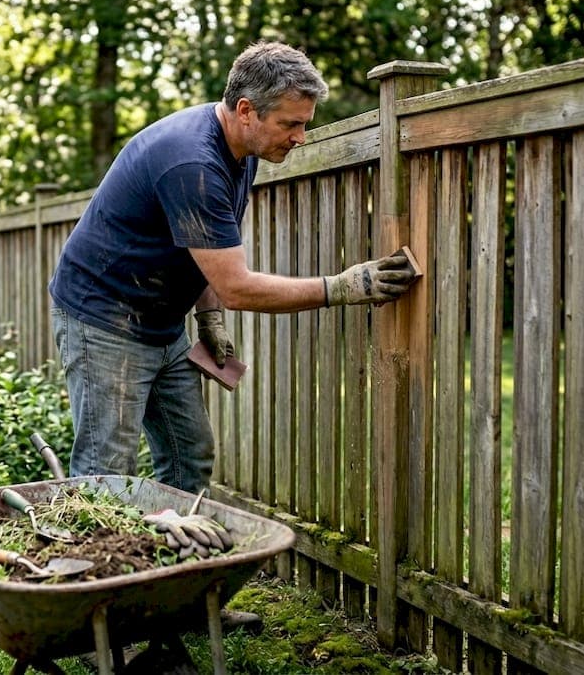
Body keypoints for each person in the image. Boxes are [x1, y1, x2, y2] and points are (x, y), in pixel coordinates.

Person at [48, 41, 417, 498]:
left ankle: (174, 558)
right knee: (105, 471)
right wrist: (341, 287)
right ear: (247, 110)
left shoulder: (239, 152)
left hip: (159, 322)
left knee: (190, 453)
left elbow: (201, 247)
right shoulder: (193, 162)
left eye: (304, 123)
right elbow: (238, 287)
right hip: (103, 319)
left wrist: (208, 316)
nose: (300, 136)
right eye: (291, 124)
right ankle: (90, 566)